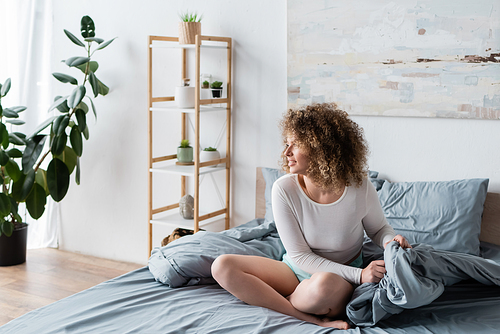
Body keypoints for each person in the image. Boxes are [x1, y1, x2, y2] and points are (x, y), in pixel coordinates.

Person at [211, 103, 411, 329]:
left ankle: (279, 301)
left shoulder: (359, 187)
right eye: (287, 144)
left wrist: (390, 241)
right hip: (296, 270)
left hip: (338, 279)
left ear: (320, 148)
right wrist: (361, 275)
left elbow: (378, 229)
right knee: (222, 265)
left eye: (295, 145)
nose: (286, 152)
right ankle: (306, 316)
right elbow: (299, 257)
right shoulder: (283, 189)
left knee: (322, 285)